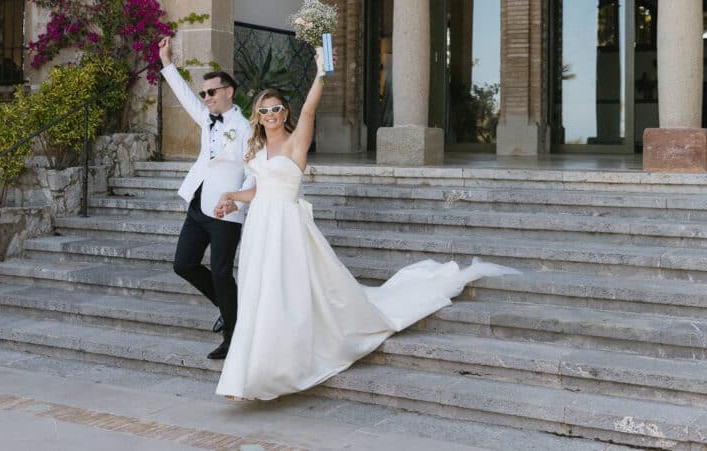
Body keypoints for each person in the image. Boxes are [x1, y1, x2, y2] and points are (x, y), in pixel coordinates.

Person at [213, 50, 516, 400]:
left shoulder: (297, 142)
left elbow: (310, 109)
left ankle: (271, 373)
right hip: (259, 230)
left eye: (277, 109)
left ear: (286, 113)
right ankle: (244, 375)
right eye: (264, 110)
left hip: (286, 228)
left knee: (284, 294)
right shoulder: (256, 150)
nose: (270, 116)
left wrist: (321, 72)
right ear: (257, 115)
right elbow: (259, 188)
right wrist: (232, 195)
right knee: (256, 294)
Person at [158, 36, 254, 359]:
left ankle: (232, 334)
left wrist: (238, 202)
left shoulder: (246, 128)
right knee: (183, 263)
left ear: (229, 92)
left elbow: (254, 171)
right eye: (204, 93)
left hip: (227, 211)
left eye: (212, 92)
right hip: (199, 205)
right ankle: (230, 309)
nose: (206, 97)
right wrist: (166, 62)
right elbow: (186, 98)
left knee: (221, 272)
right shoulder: (207, 120)